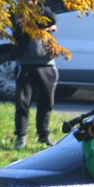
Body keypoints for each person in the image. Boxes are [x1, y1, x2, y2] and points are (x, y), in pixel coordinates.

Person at [13, 16, 58, 149]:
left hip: (47, 64)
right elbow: (20, 28)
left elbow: (52, 19)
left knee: (47, 102)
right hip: (25, 64)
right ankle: (21, 136)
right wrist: (45, 28)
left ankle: (43, 135)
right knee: (22, 102)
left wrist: (44, 20)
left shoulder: (43, 8)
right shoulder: (17, 11)